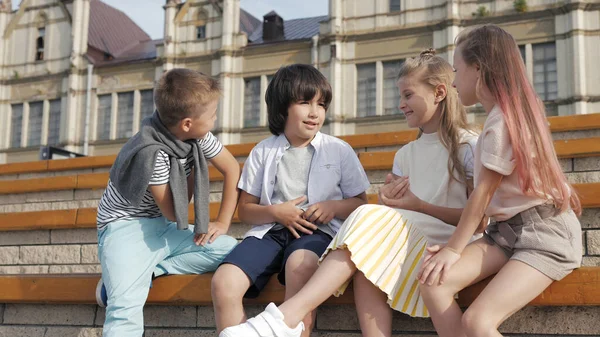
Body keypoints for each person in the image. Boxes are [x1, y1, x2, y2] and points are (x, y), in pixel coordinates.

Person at [221, 49, 482, 337]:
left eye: (407, 95)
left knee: (367, 216)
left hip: (454, 247)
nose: (400, 104)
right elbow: (404, 217)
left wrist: (413, 207)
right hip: (415, 247)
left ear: (439, 93)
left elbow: (478, 222)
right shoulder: (405, 155)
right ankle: (286, 318)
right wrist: (395, 208)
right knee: (366, 269)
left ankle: (284, 317)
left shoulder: (469, 147)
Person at [418, 24, 582, 337]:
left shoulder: (503, 123)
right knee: (433, 282)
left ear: (477, 69)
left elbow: (482, 194)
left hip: (544, 237)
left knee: (477, 322)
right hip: (505, 234)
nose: (452, 81)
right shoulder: (501, 118)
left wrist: (454, 249)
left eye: (456, 69)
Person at [212, 64, 371, 337]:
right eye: (304, 102)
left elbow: (360, 203)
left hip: (316, 233)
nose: (314, 112)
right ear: (283, 107)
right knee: (223, 281)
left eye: (321, 104)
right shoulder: (262, 151)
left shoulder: (339, 150)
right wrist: (275, 212)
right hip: (269, 234)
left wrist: (333, 207)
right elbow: (246, 211)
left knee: (301, 267)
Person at [95, 68, 240, 337]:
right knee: (124, 310)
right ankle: (126, 279)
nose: (215, 119)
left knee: (230, 250)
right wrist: (196, 168)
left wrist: (222, 222)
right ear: (187, 123)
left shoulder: (197, 137)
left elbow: (232, 169)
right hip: (126, 228)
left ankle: (146, 272)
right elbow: (175, 211)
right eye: (212, 115)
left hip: (161, 226)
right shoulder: (152, 155)